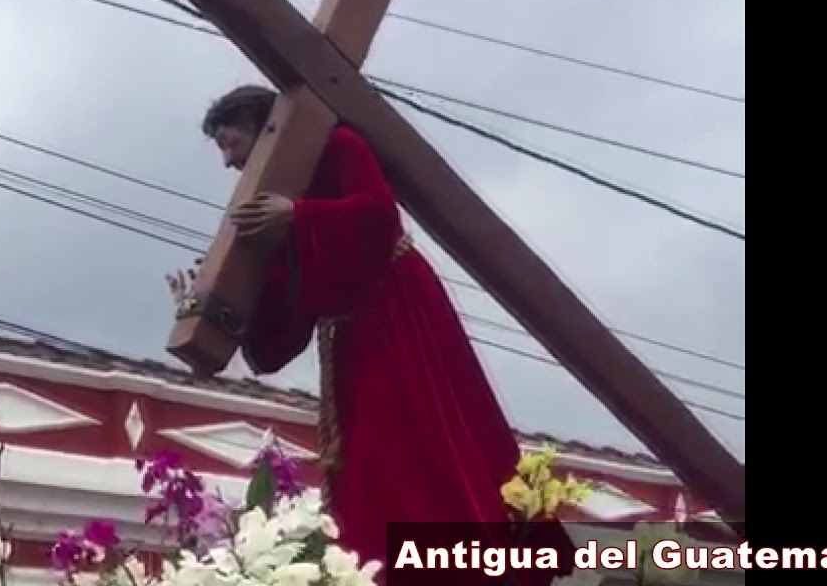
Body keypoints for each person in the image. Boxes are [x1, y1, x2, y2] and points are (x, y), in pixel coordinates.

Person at [167, 85, 575, 581]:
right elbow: (279, 320)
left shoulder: (339, 145)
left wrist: (298, 215)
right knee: (368, 463)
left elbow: (379, 214)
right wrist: (208, 306)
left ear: (267, 128)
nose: (229, 162)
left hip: (397, 311)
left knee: (415, 444)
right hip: (351, 340)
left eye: (233, 144)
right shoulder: (263, 212)